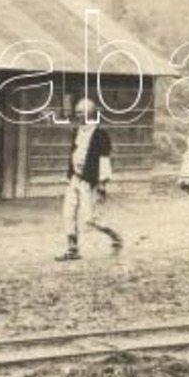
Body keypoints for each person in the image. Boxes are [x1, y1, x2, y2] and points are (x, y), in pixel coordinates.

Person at [57, 97, 125, 261]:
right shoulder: (77, 132)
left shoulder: (100, 134)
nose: (77, 115)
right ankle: (72, 249)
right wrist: (70, 175)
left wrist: (102, 184)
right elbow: (74, 154)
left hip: (89, 180)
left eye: (81, 112)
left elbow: (104, 160)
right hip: (75, 178)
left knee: (89, 219)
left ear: (90, 113)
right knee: (68, 213)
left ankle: (115, 237)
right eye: (77, 112)